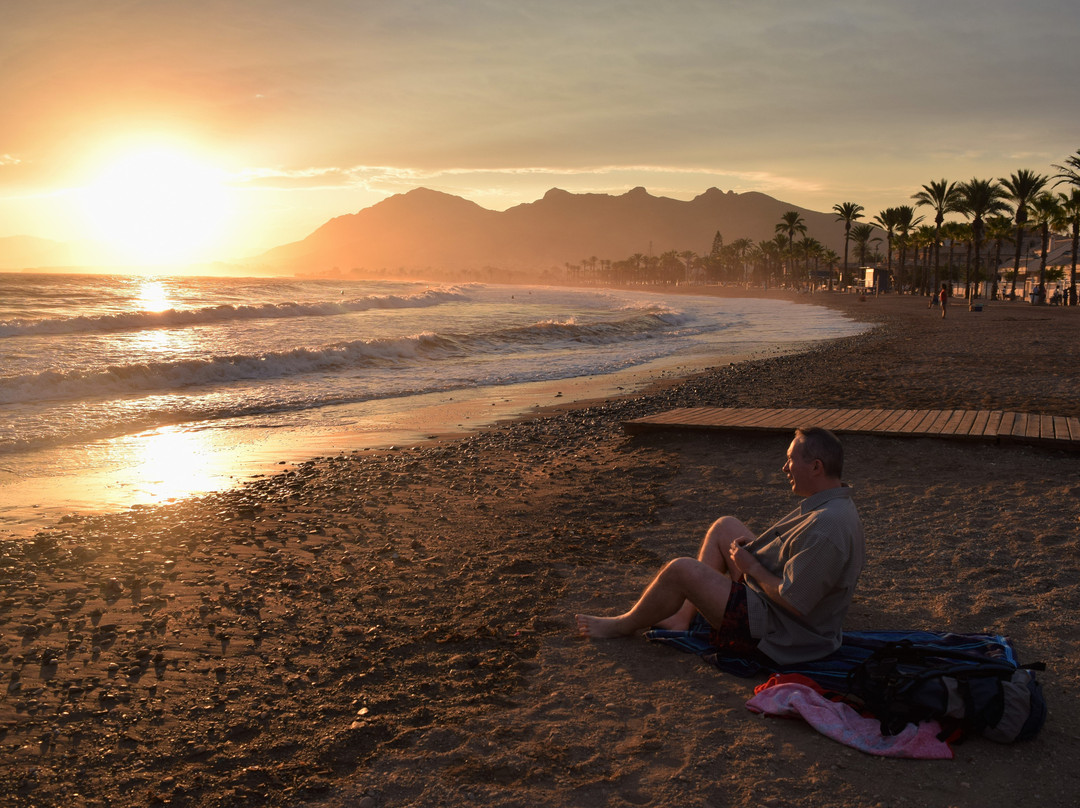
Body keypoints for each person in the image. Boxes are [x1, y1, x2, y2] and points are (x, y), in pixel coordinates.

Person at [575, 427, 865, 665]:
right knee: (725, 526)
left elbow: (795, 602)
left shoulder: (826, 526)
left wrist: (752, 566)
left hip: (781, 633)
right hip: (780, 611)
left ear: (816, 467)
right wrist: (757, 557)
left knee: (681, 570)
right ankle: (680, 618)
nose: (784, 467)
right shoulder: (833, 504)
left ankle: (623, 625)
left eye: (790, 459)